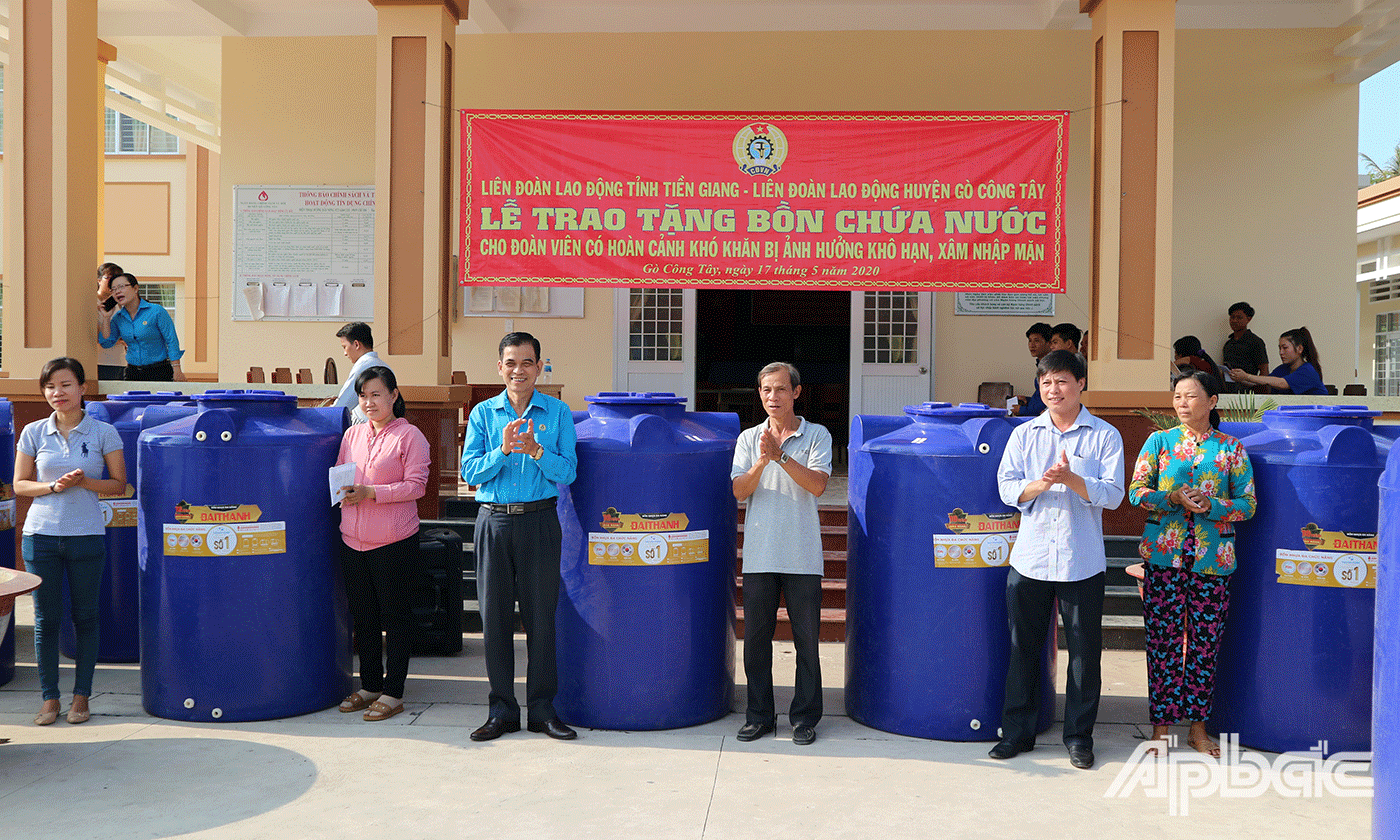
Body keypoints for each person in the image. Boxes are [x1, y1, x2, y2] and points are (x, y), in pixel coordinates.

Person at [991, 349, 1124, 769]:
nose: (1053, 390)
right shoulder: (1024, 434)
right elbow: (1007, 489)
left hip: (1080, 561)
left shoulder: (1104, 435)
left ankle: (1080, 738)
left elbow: (1114, 494)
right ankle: (1017, 734)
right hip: (1029, 559)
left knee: (1084, 654)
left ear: (1081, 383)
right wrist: (1041, 484)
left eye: (1062, 381)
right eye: (1046, 382)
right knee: (1022, 649)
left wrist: (1073, 479)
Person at [1128, 370, 1255, 757]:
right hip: (1164, 557)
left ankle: (1198, 729)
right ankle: (1161, 728)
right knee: (1162, 642)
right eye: (1178, 396)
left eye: (1192, 396)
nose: (1182, 403)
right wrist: (1172, 498)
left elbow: (1248, 504)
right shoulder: (1159, 442)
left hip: (1212, 561)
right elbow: (1136, 492)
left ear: (1212, 401)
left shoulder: (1232, 450)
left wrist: (1212, 505)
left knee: (1205, 644)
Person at [461, 332, 578, 741]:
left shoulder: (558, 413)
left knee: (542, 619)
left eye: (527, 362)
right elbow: (470, 473)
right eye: (511, 363)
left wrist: (537, 451)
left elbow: (569, 473)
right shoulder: (482, 414)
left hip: (541, 521)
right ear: (500, 367)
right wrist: (504, 451)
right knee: (493, 620)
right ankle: (501, 711)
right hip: (494, 522)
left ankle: (543, 710)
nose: (518, 370)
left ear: (540, 366)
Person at [15, 358, 126, 725]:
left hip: (86, 537)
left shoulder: (103, 432)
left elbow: (118, 484)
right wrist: (52, 486)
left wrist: (83, 483)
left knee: (86, 617)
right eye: (49, 386)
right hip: (40, 536)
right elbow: (19, 484)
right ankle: (49, 699)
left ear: (82, 389)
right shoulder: (33, 431)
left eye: (65, 385)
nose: (57, 393)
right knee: (47, 619)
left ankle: (82, 697)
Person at [731, 362, 833, 746]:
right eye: (766, 390)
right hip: (760, 553)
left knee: (807, 641)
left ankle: (805, 718)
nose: (773, 397)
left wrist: (783, 457)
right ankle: (758, 716)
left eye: (780, 389)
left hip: (802, 555)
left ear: (796, 392)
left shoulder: (816, 435)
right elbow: (740, 491)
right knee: (757, 642)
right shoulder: (749, 438)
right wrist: (763, 458)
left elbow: (819, 485)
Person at [334, 365, 430, 722]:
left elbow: (416, 486)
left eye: (376, 394)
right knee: (364, 616)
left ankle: (394, 691)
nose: (369, 402)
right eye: (363, 396)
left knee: (395, 617)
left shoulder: (410, 437)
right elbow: (341, 474)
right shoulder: (352, 435)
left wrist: (372, 492)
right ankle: (371, 684)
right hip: (353, 540)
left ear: (393, 395)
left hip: (393, 542)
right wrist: (342, 492)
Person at [97, 273, 186, 382]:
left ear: (135, 288)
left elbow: (171, 340)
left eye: (121, 287)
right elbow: (106, 342)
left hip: (159, 371)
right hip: (133, 373)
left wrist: (177, 369)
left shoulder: (156, 311)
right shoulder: (118, 318)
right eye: (113, 289)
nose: (117, 291)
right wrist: (106, 318)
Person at [1229, 327, 1326, 395]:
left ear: (1300, 349)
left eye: (1285, 348)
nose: (1281, 352)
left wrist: (1247, 376)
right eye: (1279, 348)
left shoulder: (1308, 370)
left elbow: (1282, 383)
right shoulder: (1282, 369)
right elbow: (1262, 381)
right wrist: (1240, 378)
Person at [333, 322, 388, 424]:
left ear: (356, 344)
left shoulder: (363, 366)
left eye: (344, 347)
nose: (345, 353)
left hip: (368, 427)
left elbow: (342, 405)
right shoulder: (383, 365)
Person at [1220, 302, 1269, 393]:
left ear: (1248, 319)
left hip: (1248, 392)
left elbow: (1264, 371)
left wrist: (1261, 393)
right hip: (1228, 391)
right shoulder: (1228, 344)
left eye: (1239, 317)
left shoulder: (1255, 342)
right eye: (1232, 317)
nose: (1234, 320)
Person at [1017, 322, 1052, 416]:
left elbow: (1047, 399)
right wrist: (1027, 400)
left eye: (1036, 341)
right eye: (1030, 341)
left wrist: (1022, 410)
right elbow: (1040, 397)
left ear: (1048, 343)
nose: (1032, 345)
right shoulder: (1041, 364)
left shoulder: (1052, 366)